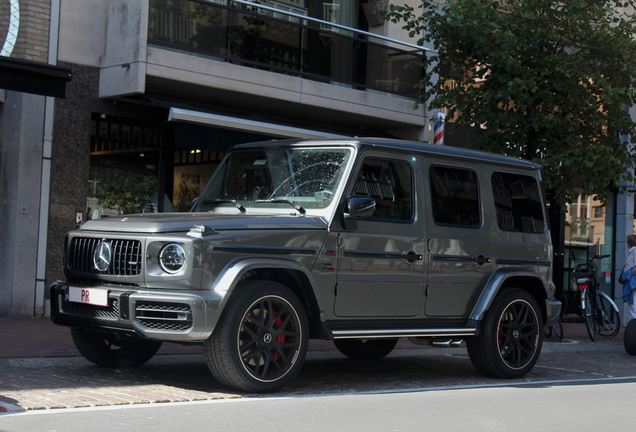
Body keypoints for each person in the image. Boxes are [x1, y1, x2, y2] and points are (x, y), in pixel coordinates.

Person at [621, 234, 636, 320]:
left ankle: (634, 323)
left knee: (633, 302)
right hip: (631, 280)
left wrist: (627, 276)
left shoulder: (635, 251)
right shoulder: (632, 251)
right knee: (632, 302)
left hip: (632, 280)